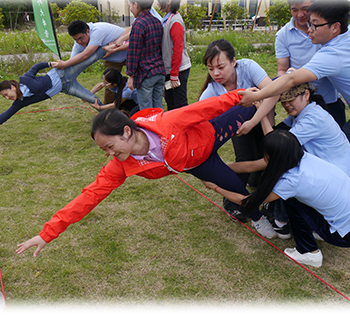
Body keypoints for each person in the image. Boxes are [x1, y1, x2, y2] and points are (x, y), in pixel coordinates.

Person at [16, 90, 272, 257]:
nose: (109, 153)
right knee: (238, 191)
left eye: (109, 146)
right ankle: (259, 216)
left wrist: (241, 95)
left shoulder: (166, 123)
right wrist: (47, 233)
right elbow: (89, 196)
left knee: (250, 105)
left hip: (209, 133)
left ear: (126, 132)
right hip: (198, 166)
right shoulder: (121, 164)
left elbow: (204, 108)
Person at [202, 129, 350, 268]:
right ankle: (316, 230)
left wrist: (215, 187)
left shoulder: (291, 181)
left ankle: (309, 252)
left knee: (292, 202)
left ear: (273, 157)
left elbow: (246, 201)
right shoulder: (302, 157)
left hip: (343, 235)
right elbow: (250, 166)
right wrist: (220, 169)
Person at [239, 0, 350, 138]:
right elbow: (285, 73)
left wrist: (257, 95)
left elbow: (290, 79)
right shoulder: (345, 36)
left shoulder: (331, 54)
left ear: (335, 27)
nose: (309, 30)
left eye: (314, 25)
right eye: (309, 24)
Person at [198, 39, 275, 237]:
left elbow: (274, 93)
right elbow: (199, 119)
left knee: (270, 160)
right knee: (245, 161)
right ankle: (233, 203)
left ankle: (268, 199)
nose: (216, 73)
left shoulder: (248, 67)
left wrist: (255, 120)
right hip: (240, 129)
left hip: (265, 120)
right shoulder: (211, 92)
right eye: (211, 68)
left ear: (234, 62)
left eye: (220, 67)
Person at [255, 82, 350, 238]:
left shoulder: (311, 120)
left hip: (336, 175)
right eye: (283, 101)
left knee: (285, 168)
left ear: (306, 95)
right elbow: (281, 131)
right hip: (335, 171)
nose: (286, 105)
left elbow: (279, 149)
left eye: (290, 99)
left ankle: (281, 221)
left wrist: (235, 168)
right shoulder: (307, 110)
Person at [275, 0, 345, 127]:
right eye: (294, 10)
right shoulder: (283, 35)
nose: (300, 15)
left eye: (305, 9)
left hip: (330, 101)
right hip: (303, 104)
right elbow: (282, 70)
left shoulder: (328, 31)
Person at [0, 47, 107, 125]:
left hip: (63, 73)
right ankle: (113, 119)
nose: (7, 98)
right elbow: (5, 116)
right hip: (66, 87)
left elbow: (36, 67)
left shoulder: (25, 79)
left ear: (12, 87)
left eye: (6, 94)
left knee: (90, 59)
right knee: (92, 99)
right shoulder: (20, 102)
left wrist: (50, 64)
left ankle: (110, 46)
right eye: (4, 97)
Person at [55, 20, 128, 105]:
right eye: (76, 40)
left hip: (128, 51)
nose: (79, 42)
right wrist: (63, 69)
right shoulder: (78, 44)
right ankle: (107, 111)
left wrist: (64, 63)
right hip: (112, 59)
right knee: (108, 83)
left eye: (81, 38)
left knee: (136, 80)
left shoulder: (97, 31)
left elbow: (86, 54)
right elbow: (73, 61)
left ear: (88, 31)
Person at [126, 0, 166, 110]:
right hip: (159, 71)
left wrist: (131, 75)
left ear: (136, 5)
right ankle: (160, 128)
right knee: (158, 108)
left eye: (130, 6)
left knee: (146, 110)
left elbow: (133, 51)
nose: (130, 9)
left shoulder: (139, 24)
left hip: (145, 74)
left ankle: (148, 129)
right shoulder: (157, 22)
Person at [155, 0, 191, 110]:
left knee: (180, 103)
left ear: (169, 1)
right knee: (170, 101)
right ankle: (174, 128)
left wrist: (174, 74)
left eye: (160, 0)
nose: (158, 4)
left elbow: (178, 49)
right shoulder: (166, 17)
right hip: (170, 69)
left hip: (178, 70)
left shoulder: (175, 21)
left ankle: (186, 128)